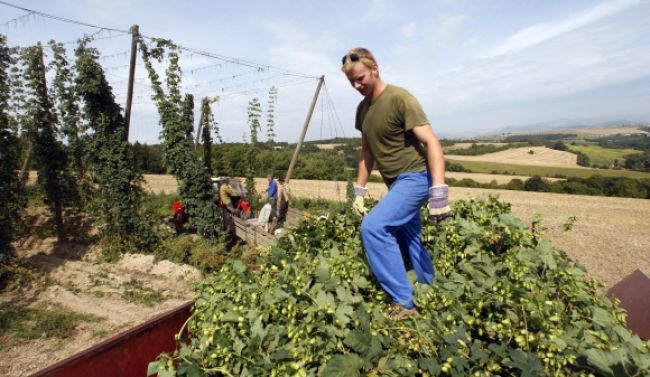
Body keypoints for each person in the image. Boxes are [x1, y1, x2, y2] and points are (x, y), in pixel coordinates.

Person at [341, 47, 452, 320]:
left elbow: (432, 142)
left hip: (415, 178)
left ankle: (405, 302)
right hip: (395, 184)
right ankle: (430, 288)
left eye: (361, 78)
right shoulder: (362, 110)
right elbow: (367, 152)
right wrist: (359, 190)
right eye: (351, 82)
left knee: (374, 227)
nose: (357, 86)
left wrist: (438, 191)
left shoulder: (401, 98)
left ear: (375, 68)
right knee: (409, 237)